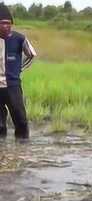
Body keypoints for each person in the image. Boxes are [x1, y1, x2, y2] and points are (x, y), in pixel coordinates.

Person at [0, 4, 36, 140]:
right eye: (2, 23)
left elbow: (31, 54)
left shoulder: (19, 39)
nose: (6, 26)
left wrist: (19, 69)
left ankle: (22, 150)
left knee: (20, 120)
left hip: (13, 86)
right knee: (0, 125)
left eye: (8, 23)